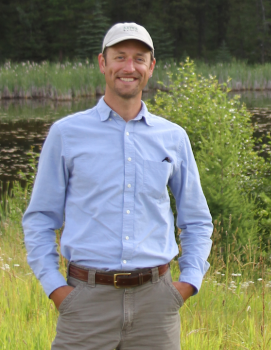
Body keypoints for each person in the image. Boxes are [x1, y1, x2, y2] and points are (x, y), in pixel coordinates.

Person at [22, 22, 213, 350]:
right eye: (120, 57)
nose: (129, 67)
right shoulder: (66, 134)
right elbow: (39, 218)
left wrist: (189, 282)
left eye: (139, 58)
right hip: (85, 302)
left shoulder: (173, 137)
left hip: (157, 305)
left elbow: (196, 219)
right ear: (102, 63)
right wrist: (56, 288)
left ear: (151, 68)